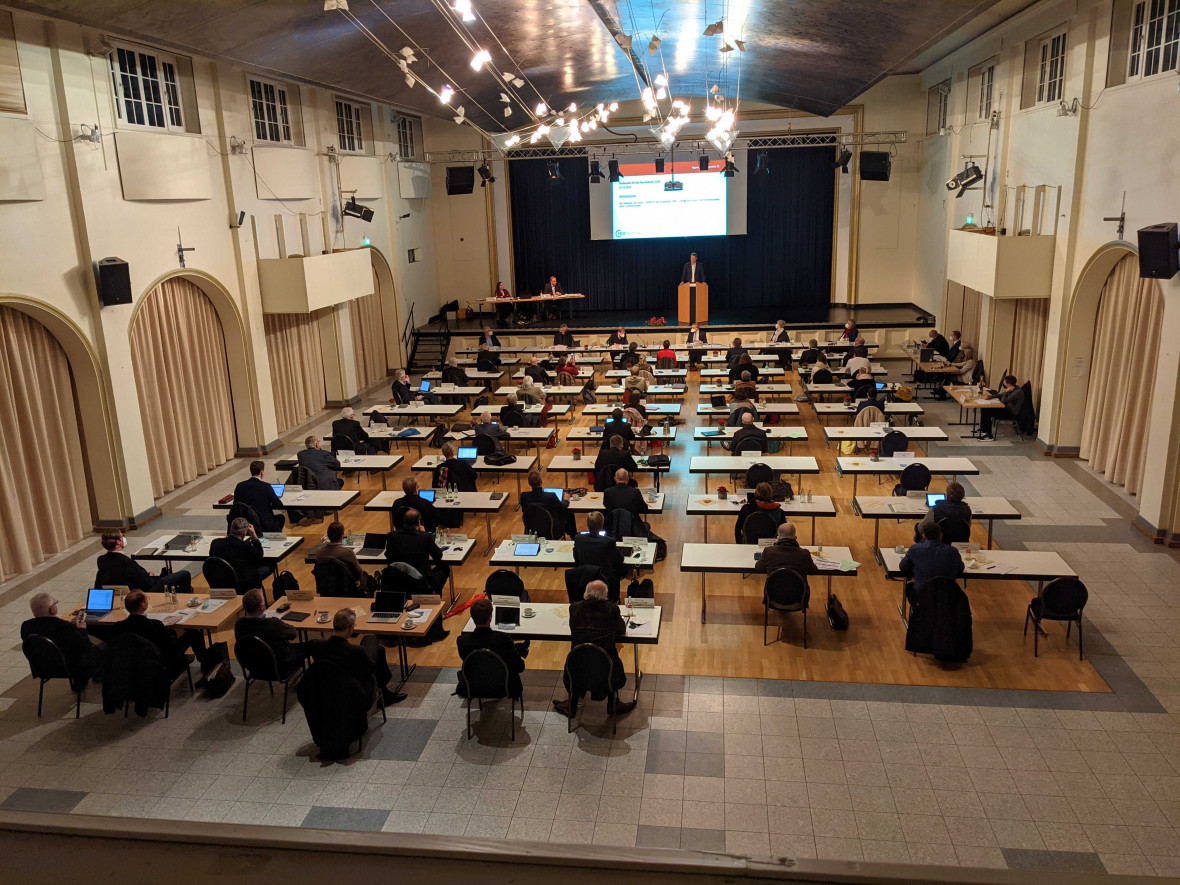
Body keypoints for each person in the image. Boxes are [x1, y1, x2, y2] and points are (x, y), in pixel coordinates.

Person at [552, 580, 636, 717]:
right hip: (605, 666)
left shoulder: (574, 608)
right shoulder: (611, 610)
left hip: (577, 664)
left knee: (583, 661)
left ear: (586, 593)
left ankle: (572, 704)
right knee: (607, 659)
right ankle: (613, 703)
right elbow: (621, 630)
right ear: (605, 595)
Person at [306, 608, 406, 705]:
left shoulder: (317, 645)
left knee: (379, 650)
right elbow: (371, 668)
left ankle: (385, 692)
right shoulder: (355, 651)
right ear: (350, 628)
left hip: (327, 690)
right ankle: (384, 693)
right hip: (357, 693)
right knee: (371, 639)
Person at [21, 592, 104, 684]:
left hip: (43, 668)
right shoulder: (64, 627)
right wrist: (81, 629)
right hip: (70, 668)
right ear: (52, 610)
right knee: (106, 647)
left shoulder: (26, 626)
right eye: (55, 603)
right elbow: (85, 646)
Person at [115, 589, 206, 669]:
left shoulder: (118, 626)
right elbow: (171, 645)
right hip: (162, 660)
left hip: (135, 662)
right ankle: (204, 661)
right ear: (143, 605)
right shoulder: (154, 625)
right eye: (147, 599)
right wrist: (177, 634)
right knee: (193, 632)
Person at [456, 598, 527, 698]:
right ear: (490, 617)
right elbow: (519, 667)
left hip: (475, 687)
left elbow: (473, 662)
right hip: (504, 687)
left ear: (472, 617)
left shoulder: (462, 641)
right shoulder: (503, 639)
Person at [95, 531, 193, 595]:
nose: (124, 538)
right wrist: (150, 576)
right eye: (122, 537)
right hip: (143, 592)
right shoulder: (126, 562)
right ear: (119, 542)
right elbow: (146, 583)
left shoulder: (101, 560)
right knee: (184, 574)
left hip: (124, 590)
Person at [234, 588, 304, 676]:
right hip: (280, 666)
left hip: (254, 667)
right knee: (315, 644)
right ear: (262, 607)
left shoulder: (239, 624)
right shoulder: (272, 623)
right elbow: (293, 634)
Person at [385, 509, 449, 593]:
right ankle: (434, 595)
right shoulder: (425, 537)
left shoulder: (391, 536)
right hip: (421, 581)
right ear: (419, 522)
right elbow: (438, 556)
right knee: (445, 568)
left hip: (398, 579)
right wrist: (424, 533)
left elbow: (388, 555)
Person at [209, 517, 274, 592]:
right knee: (272, 564)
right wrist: (254, 536)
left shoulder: (215, 543)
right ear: (244, 533)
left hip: (220, 580)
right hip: (243, 581)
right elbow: (259, 555)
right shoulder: (245, 546)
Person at [899, 523, 964, 593]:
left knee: (909, 587)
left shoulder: (915, 549)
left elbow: (903, 567)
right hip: (947, 595)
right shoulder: (953, 551)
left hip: (923, 595)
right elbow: (960, 568)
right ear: (941, 535)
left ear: (923, 536)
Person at [572, 517, 626, 592]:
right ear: (601, 526)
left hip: (585, 577)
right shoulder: (609, 541)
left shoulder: (578, 538)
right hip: (605, 578)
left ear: (587, 525)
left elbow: (576, 557)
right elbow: (620, 559)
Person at [232, 460, 285, 532]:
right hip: (263, 524)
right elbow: (279, 505)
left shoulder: (240, 486)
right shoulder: (266, 486)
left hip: (245, 523)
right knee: (281, 518)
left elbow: (236, 504)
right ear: (262, 472)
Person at [520, 470, 576, 538]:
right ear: (541, 481)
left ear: (529, 483)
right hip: (552, 531)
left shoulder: (524, 496)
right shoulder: (550, 496)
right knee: (569, 512)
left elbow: (524, 510)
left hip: (532, 530)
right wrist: (566, 500)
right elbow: (562, 506)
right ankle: (574, 536)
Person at [755, 523, 820, 580]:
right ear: (795, 538)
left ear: (778, 538)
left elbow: (758, 568)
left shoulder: (768, 552)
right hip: (799, 593)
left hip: (772, 592)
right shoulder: (804, 554)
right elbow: (813, 571)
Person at [978, 375, 1025, 439]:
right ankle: (984, 429)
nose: (1004, 383)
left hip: (1011, 413)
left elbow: (1003, 402)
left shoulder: (1017, 392)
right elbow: (1001, 394)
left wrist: (1006, 392)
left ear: (1009, 384)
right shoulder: (1013, 388)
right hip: (1007, 409)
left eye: (1004, 382)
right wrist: (991, 397)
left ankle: (989, 435)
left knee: (988, 411)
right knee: (985, 407)